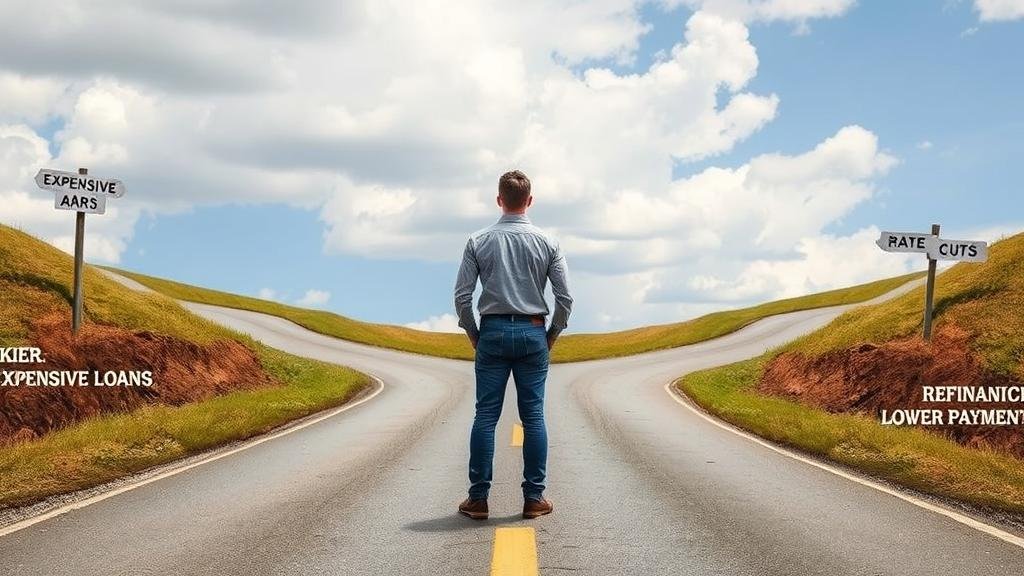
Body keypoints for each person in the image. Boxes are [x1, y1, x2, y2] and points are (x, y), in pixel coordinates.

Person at [453, 170, 573, 520]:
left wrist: (473, 333)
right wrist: (552, 334)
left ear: (499, 200)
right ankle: (534, 498)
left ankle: (478, 499)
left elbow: (462, 297)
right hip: (533, 331)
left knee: (485, 416)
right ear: (529, 201)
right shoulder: (548, 243)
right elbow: (565, 298)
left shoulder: (478, 241)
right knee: (533, 416)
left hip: (491, 332)